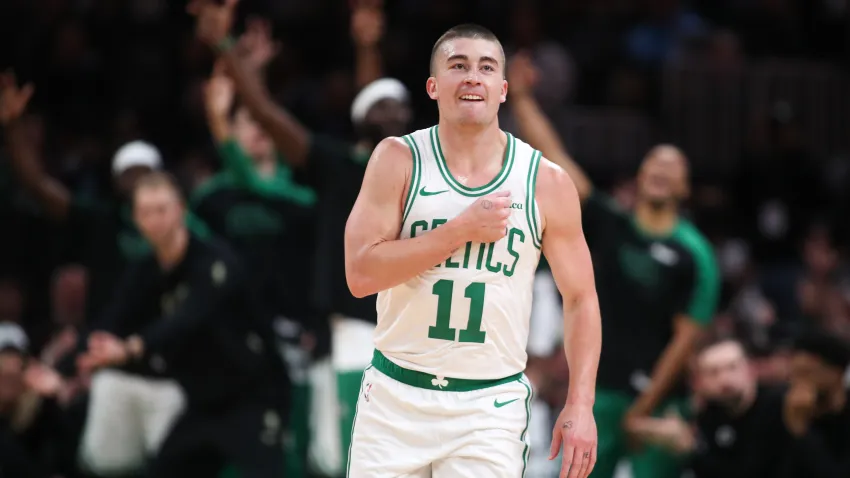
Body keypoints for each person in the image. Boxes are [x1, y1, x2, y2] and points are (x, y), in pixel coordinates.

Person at [343, 23, 601, 478]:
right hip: (394, 397)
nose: (472, 77)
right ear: (433, 86)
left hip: (488, 407)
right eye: (457, 65)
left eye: (485, 68)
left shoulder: (545, 182)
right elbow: (360, 275)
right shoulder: (398, 160)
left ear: (503, 90)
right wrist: (458, 231)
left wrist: (581, 403)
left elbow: (580, 298)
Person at [187, 0, 403, 473]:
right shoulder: (337, 167)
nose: (392, 110)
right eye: (381, 105)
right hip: (338, 328)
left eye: (401, 106)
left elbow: (373, 106)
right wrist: (227, 50)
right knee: (329, 457)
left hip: (402, 330)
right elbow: (264, 114)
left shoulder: (423, 172)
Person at [508, 53, 720, 478]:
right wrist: (522, 98)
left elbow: (686, 342)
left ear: (684, 186)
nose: (660, 171)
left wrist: (643, 409)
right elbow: (556, 160)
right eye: (653, 164)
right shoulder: (614, 226)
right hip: (600, 394)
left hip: (658, 403)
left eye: (672, 167)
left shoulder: (696, 254)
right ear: (638, 177)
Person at [0, 72, 208, 476]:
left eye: (144, 172)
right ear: (115, 183)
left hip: (173, 366)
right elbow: (38, 186)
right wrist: (12, 131)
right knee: (100, 461)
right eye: (126, 174)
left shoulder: (191, 235)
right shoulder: (102, 223)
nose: (135, 181)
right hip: (109, 366)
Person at [78, 171, 290, 478]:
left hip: (252, 397)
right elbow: (114, 317)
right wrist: (87, 354)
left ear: (181, 210)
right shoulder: (145, 271)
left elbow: (188, 318)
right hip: (201, 403)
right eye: (145, 212)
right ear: (135, 218)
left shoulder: (216, 262)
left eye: (162, 210)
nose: (154, 220)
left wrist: (129, 348)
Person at [629, 336, 788, 477]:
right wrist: (687, 448)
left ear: (751, 369)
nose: (725, 379)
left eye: (732, 367)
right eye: (713, 372)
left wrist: (692, 450)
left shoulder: (779, 408)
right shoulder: (708, 416)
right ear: (699, 383)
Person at [780, 328, 850, 478]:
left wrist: (800, 430)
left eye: (806, 373)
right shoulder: (784, 407)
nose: (799, 384)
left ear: (834, 373)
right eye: (794, 375)